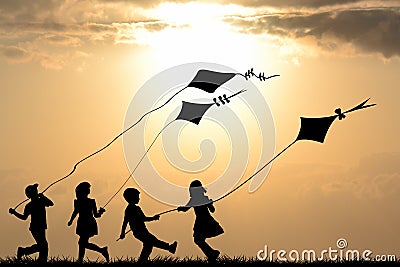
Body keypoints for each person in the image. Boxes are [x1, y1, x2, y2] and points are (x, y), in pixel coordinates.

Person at [119, 188, 177, 261]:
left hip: (140, 231)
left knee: (149, 245)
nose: (139, 198)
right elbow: (142, 219)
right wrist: (153, 218)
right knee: (153, 241)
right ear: (132, 197)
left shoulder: (131, 209)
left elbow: (128, 221)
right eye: (137, 196)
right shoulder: (133, 209)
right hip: (140, 232)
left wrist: (123, 233)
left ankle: (143, 260)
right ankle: (169, 247)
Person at [178, 180, 223, 262]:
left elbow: (186, 209)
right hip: (204, 221)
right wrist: (210, 204)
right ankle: (212, 253)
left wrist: (210, 203)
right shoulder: (201, 199)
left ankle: (212, 253)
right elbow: (213, 210)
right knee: (198, 240)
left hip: (204, 221)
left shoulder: (195, 200)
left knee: (198, 240)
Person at [9, 183, 54, 262]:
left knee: (43, 246)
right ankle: (23, 251)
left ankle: (41, 259)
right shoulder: (30, 205)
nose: (36, 192)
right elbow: (24, 217)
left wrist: (43, 197)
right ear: (30, 194)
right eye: (34, 191)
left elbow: (51, 203)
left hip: (42, 226)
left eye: (36, 191)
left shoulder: (41, 201)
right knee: (43, 246)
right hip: (35, 227)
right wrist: (14, 213)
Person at [67, 181, 109, 263]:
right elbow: (75, 212)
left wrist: (101, 212)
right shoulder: (80, 201)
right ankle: (100, 251)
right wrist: (71, 220)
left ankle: (100, 251)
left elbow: (95, 215)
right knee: (83, 242)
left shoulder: (90, 201)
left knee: (82, 242)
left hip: (88, 223)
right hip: (83, 222)